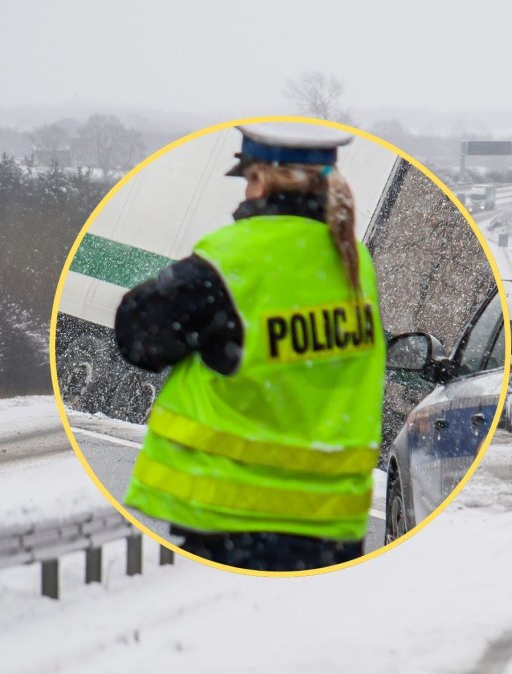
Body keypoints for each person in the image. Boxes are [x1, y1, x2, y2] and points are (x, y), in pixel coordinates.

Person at [114, 123, 386, 571]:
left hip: (235, 522)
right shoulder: (354, 262)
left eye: (247, 181)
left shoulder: (235, 257)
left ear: (260, 180)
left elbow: (138, 337)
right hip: (331, 525)